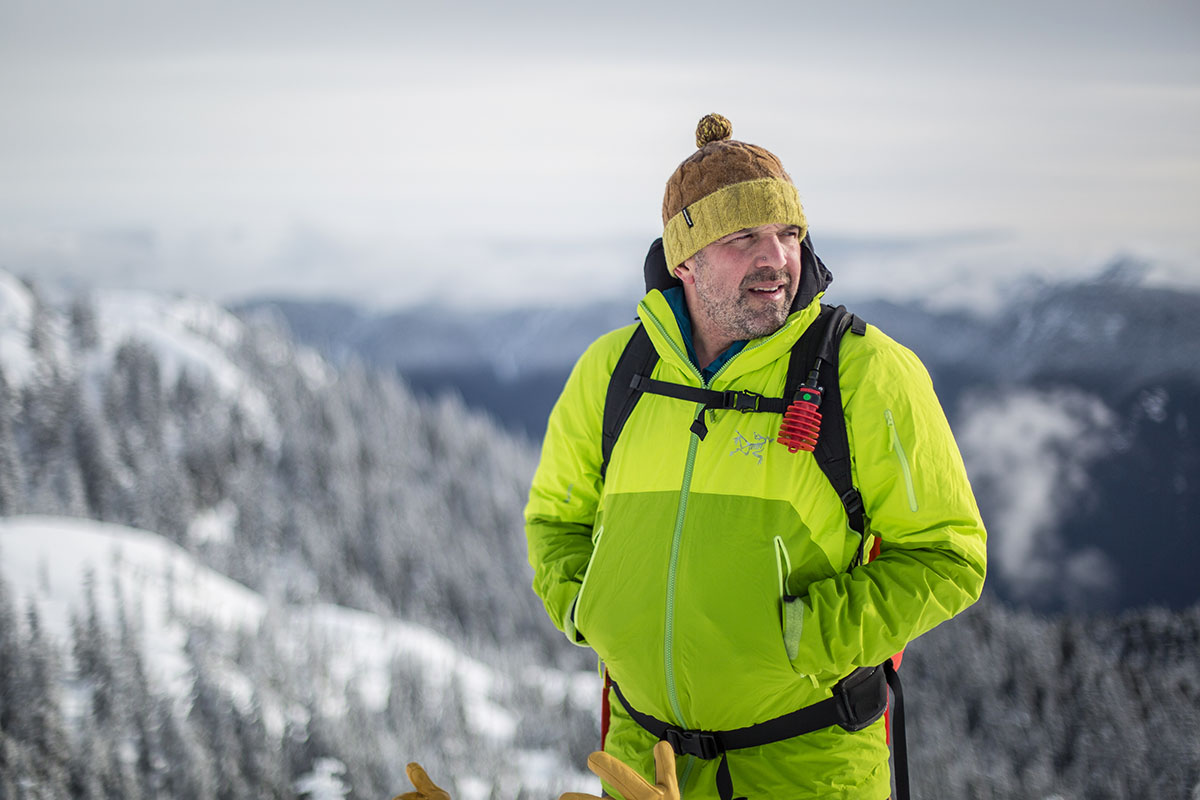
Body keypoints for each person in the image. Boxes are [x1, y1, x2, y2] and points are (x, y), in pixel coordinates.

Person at [524, 114, 987, 800]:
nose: (777, 259)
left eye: (789, 234)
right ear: (684, 260)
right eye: (743, 238)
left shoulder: (864, 372)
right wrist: (593, 610)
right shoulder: (613, 371)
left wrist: (810, 639)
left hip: (806, 765)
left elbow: (949, 554)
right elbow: (553, 523)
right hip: (642, 759)